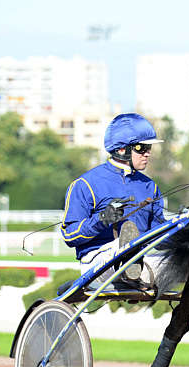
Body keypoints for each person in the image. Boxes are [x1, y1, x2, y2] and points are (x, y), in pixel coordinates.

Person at [61, 113, 165, 286]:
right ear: (122, 149)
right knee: (124, 246)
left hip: (141, 260)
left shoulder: (150, 186)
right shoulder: (85, 184)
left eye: (149, 148)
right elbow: (69, 235)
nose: (147, 153)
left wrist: (186, 230)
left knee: (184, 259)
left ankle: (131, 261)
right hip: (97, 263)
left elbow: (159, 236)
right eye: (141, 148)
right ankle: (128, 257)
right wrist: (102, 220)